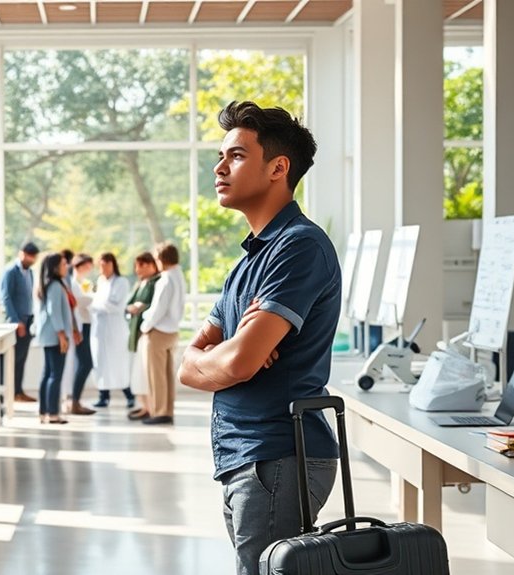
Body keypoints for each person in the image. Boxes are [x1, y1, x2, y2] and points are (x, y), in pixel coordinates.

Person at [178, 101, 340, 575]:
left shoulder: (299, 246)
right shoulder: (249, 261)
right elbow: (189, 364)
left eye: (237, 156)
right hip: (245, 456)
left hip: (278, 455)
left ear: (278, 168)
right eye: (222, 156)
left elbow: (236, 364)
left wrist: (231, 354)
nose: (219, 167)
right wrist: (229, 351)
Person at [138, 241, 186, 426]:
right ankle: (167, 410)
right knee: (166, 375)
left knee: (155, 375)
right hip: (173, 331)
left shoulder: (165, 279)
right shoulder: (179, 275)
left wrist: (144, 325)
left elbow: (158, 309)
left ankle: (159, 412)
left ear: (162, 259)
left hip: (158, 332)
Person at [90, 252, 134, 408]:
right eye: (101, 265)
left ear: (113, 265)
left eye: (106, 265)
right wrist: (98, 304)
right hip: (100, 329)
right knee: (100, 362)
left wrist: (96, 304)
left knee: (118, 362)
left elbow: (116, 306)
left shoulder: (121, 282)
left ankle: (129, 394)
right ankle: (104, 396)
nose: (103, 269)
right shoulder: (100, 281)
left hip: (116, 329)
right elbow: (100, 303)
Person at [35, 252, 75, 424]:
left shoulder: (49, 285)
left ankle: (44, 411)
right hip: (55, 335)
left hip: (48, 334)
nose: (67, 267)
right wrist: (61, 334)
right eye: (64, 264)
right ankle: (52, 413)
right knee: (55, 374)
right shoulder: (56, 286)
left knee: (48, 373)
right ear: (56, 267)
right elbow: (54, 311)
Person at [0, 242, 40, 403]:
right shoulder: (11, 271)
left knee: (22, 358)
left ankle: (18, 391)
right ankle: (9, 392)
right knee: (13, 359)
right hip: (16, 322)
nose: (31, 259)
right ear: (21, 253)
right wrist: (17, 322)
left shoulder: (30, 272)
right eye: (29, 255)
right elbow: (6, 297)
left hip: (28, 319)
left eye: (33, 257)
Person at [126, 252, 161, 421]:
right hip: (137, 332)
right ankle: (144, 406)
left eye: (141, 265)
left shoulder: (156, 283)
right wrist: (133, 307)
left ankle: (152, 408)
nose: (137, 269)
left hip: (148, 331)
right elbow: (128, 304)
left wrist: (141, 307)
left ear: (150, 265)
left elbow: (155, 306)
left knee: (147, 374)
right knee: (139, 373)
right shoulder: (141, 283)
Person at [61, 253, 96, 415]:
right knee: (85, 363)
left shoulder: (79, 283)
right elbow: (78, 303)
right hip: (80, 327)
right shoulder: (72, 283)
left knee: (82, 363)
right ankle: (74, 402)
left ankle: (74, 401)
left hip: (85, 325)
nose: (90, 269)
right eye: (88, 265)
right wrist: (94, 297)